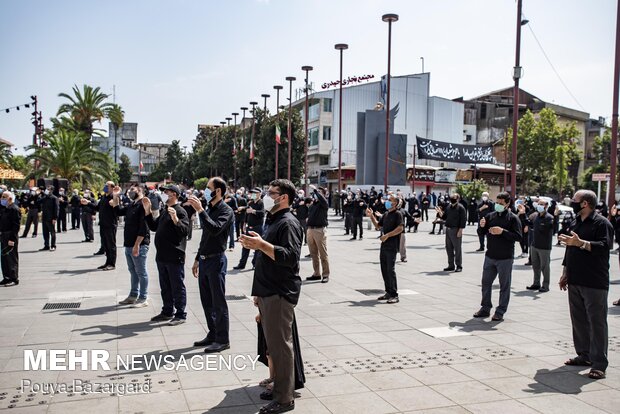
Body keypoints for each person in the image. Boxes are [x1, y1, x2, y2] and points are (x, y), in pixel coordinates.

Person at [239, 179, 303, 414]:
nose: (267, 195)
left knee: (280, 348)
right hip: (268, 291)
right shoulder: (274, 220)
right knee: (275, 347)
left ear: (283, 197)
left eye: (271, 192)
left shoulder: (289, 222)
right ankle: (280, 389)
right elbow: (267, 254)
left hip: (279, 292)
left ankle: (284, 399)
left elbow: (290, 257)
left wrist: (262, 244)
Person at [559, 190, 613, 380]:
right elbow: (569, 248)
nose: (572, 202)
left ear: (585, 203)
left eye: (575, 200)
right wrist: (565, 273)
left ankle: (599, 364)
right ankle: (584, 355)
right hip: (575, 279)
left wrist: (582, 243)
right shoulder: (576, 222)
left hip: (594, 281)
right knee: (578, 319)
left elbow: (605, 246)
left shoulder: (602, 223)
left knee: (597, 322)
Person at [188, 177, 234, 353]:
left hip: (217, 260)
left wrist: (200, 210)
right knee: (206, 301)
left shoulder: (226, 210)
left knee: (218, 301)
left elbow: (215, 229)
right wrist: (197, 258)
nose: (206, 191)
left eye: (209, 188)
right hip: (205, 260)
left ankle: (223, 339)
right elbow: (205, 237)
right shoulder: (210, 209)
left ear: (219, 191)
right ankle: (213, 333)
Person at [144, 184, 190, 326]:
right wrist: (147, 211)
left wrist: (175, 219)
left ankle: (180, 313)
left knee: (177, 285)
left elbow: (184, 231)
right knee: (165, 285)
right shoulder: (164, 210)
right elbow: (154, 226)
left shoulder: (180, 211)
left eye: (167, 192)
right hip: (162, 255)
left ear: (174, 195)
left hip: (174, 255)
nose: (163, 195)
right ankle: (167, 310)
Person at [474, 192, 522, 321]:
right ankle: (485, 308)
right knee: (486, 283)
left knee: (504, 285)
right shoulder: (491, 216)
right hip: (490, 256)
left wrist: (502, 232)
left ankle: (500, 311)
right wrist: (482, 225)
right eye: (497, 202)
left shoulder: (513, 218)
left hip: (505, 257)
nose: (498, 205)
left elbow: (518, 237)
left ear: (507, 204)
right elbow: (481, 232)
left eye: (501, 203)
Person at [113, 184, 150, 307]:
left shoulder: (142, 205)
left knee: (141, 272)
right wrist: (115, 196)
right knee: (133, 271)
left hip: (139, 244)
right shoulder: (132, 205)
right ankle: (133, 295)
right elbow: (118, 211)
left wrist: (137, 245)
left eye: (133, 190)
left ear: (140, 191)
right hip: (129, 244)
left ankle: (143, 297)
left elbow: (143, 227)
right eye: (129, 190)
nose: (130, 192)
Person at [366, 193, 403, 303]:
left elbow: (400, 228)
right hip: (384, 246)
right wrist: (371, 216)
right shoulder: (386, 214)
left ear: (395, 203)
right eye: (388, 199)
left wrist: (387, 235)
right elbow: (378, 226)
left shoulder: (398, 214)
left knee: (390, 270)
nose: (387, 201)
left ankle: (394, 294)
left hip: (392, 246)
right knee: (384, 269)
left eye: (390, 200)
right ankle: (388, 292)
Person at [526, 198, 554, 292]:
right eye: (539, 204)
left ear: (546, 206)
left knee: (545, 267)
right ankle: (536, 283)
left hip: (544, 247)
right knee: (535, 265)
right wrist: (523, 216)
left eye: (541, 204)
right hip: (534, 245)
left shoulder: (549, 217)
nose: (539, 206)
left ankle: (545, 285)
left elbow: (546, 229)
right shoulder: (536, 216)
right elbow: (530, 224)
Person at [233, 188, 264, 270]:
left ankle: (255, 264)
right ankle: (242, 264)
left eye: (255, 193)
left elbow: (262, 213)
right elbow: (247, 212)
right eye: (252, 193)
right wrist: (244, 223)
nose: (253, 194)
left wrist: (253, 211)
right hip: (249, 227)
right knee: (245, 246)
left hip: (257, 227)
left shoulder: (261, 203)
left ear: (259, 194)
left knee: (257, 247)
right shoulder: (250, 202)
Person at [305, 185, 330, 283]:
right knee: (313, 254)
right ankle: (316, 273)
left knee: (323, 254)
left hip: (319, 230)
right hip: (310, 229)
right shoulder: (313, 204)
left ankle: (325, 274)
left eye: (319, 192)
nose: (316, 194)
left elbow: (321, 199)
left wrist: (316, 190)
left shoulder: (324, 203)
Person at [439, 193, 466, 272]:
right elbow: (444, 217)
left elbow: (463, 220)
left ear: (457, 199)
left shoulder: (461, 208)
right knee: (449, 248)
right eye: (451, 197)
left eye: (453, 197)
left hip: (456, 229)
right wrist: (440, 212)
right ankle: (451, 265)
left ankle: (459, 265)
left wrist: (460, 230)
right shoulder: (448, 207)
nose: (452, 198)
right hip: (448, 229)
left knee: (457, 248)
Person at [96, 182, 119, 271]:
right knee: (105, 244)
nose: (105, 187)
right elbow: (97, 207)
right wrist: (88, 203)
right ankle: (107, 262)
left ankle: (112, 263)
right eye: (105, 185)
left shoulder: (114, 197)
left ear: (112, 188)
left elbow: (117, 208)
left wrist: (115, 197)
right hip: (103, 224)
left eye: (107, 186)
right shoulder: (103, 197)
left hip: (110, 224)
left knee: (111, 244)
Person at [0, 191, 21, 286]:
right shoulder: (5, 209)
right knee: (4, 257)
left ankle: (14, 278)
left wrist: (12, 239)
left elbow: (16, 225)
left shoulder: (14, 209)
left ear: (10, 198)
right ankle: (6, 277)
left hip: (10, 235)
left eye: (4, 197)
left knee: (11, 257)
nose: (2, 199)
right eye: (2, 197)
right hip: (3, 235)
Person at [39, 186, 59, 252]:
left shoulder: (54, 198)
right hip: (44, 217)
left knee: (52, 232)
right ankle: (46, 245)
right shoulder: (44, 198)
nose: (46, 190)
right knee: (45, 232)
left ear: (51, 190)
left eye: (48, 189)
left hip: (51, 218)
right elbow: (38, 202)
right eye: (46, 189)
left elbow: (56, 209)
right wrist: (40, 194)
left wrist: (55, 218)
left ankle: (53, 245)